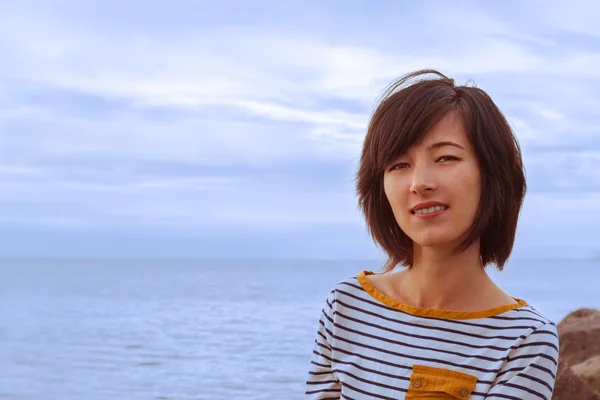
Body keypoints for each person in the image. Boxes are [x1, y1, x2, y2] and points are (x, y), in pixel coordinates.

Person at [304, 70, 559, 399]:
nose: (419, 183)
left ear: (492, 176)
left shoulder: (524, 340)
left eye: (446, 158)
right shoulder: (347, 306)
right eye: (398, 165)